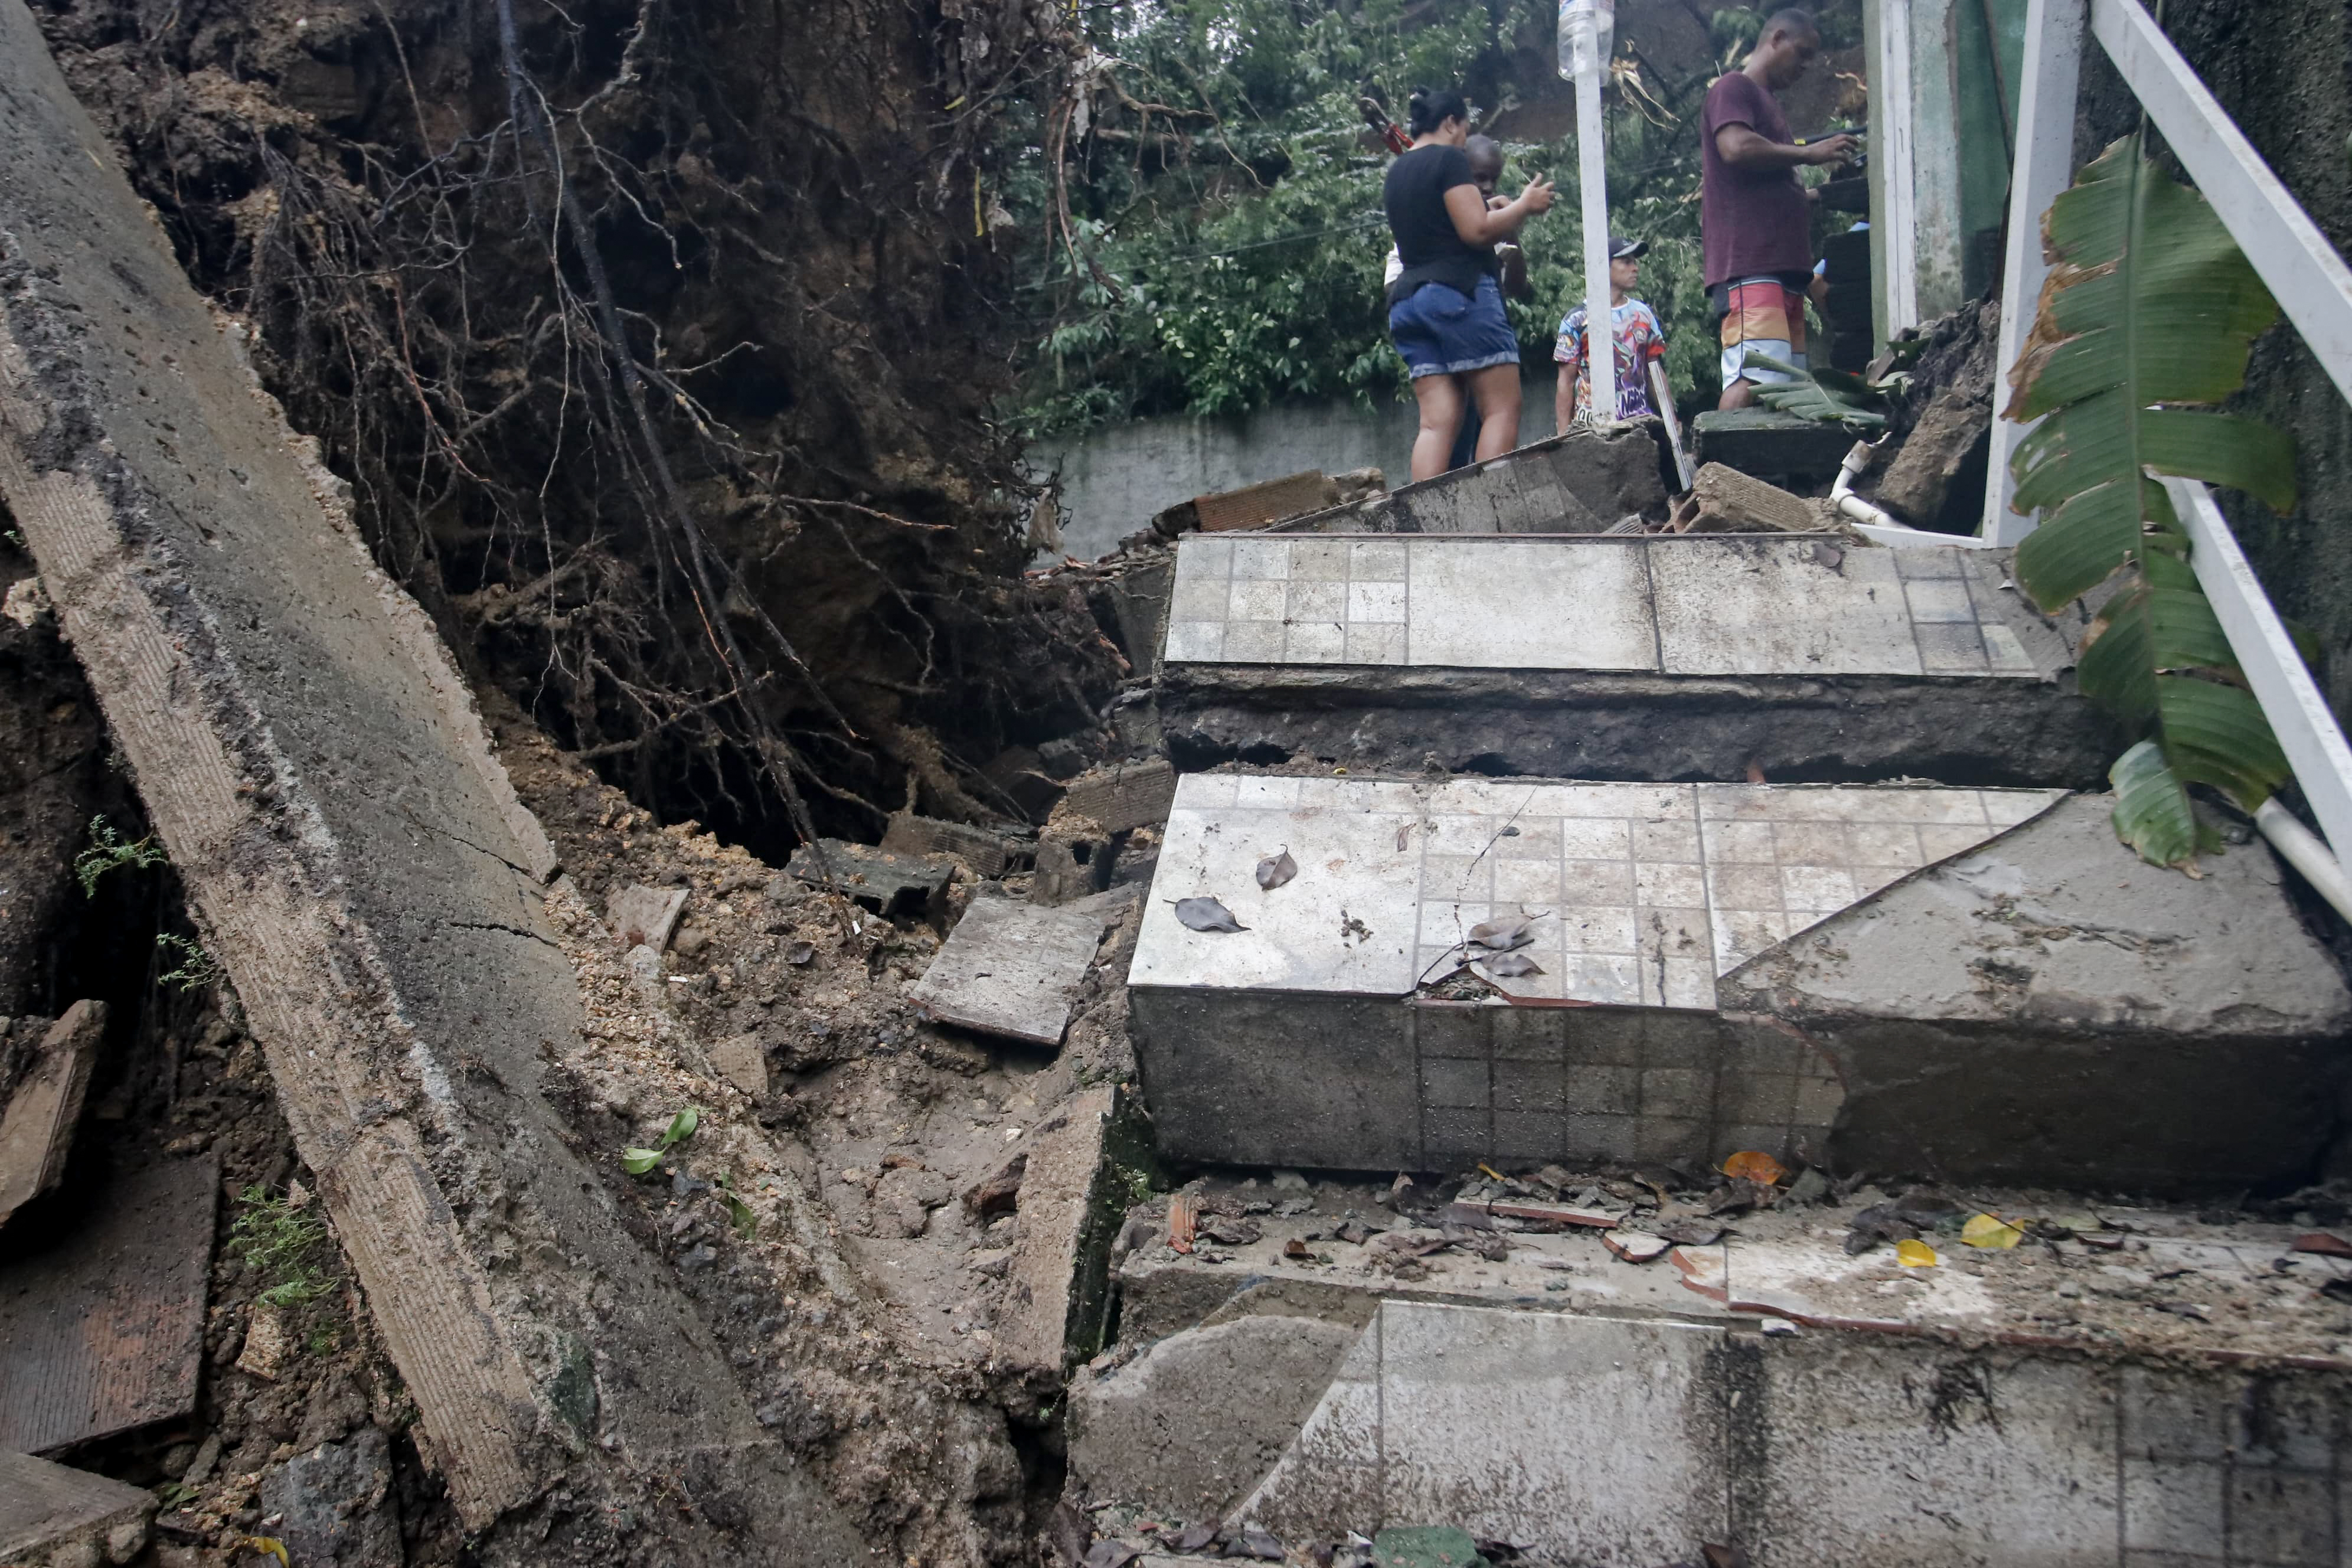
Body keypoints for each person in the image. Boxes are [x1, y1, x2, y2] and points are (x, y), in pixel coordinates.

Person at [1383, 89, 1554, 481]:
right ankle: (1487, 517)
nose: (1464, 139)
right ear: (1450, 123)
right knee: (1501, 408)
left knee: (1437, 422)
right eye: (1464, 129)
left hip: (1408, 302)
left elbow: (1440, 227)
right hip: (1459, 294)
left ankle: (1424, 524)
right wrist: (1524, 205)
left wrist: (1494, 210)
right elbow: (1476, 231)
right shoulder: (1448, 159)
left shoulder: (1398, 172)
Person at [1698, 7, 1857, 410]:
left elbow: (1771, 184)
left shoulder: (1768, 104)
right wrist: (1810, 154)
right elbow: (1735, 148)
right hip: (1752, 266)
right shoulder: (1734, 88)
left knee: (1781, 385)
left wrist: (1818, 196)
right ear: (1777, 39)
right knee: (1753, 379)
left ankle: (1754, 474)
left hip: (1782, 271)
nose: (1806, 66)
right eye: (1802, 53)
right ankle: (1715, 474)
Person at [1553, 236, 1668, 428]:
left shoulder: (1643, 315)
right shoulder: (1576, 319)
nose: (1635, 268)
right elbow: (1566, 381)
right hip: (1590, 426)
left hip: (1639, 424)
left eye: (1635, 262)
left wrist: (1671, 421)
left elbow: (1655, 372)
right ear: (1603, 266)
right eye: (1626, 262)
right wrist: (1563, 437)